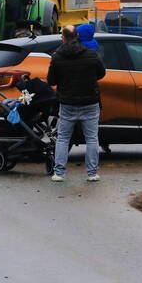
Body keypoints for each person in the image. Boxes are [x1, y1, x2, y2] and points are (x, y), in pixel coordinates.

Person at [47, 24, 105, 182]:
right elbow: (102, 73)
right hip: (90, 102)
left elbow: (51, 80)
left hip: (67, 103)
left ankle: (59, 173)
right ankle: (92, 173)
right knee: (92, 138)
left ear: (63, 38)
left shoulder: (57, 56)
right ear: (77, 36)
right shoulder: (91, 54)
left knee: (63, 138)